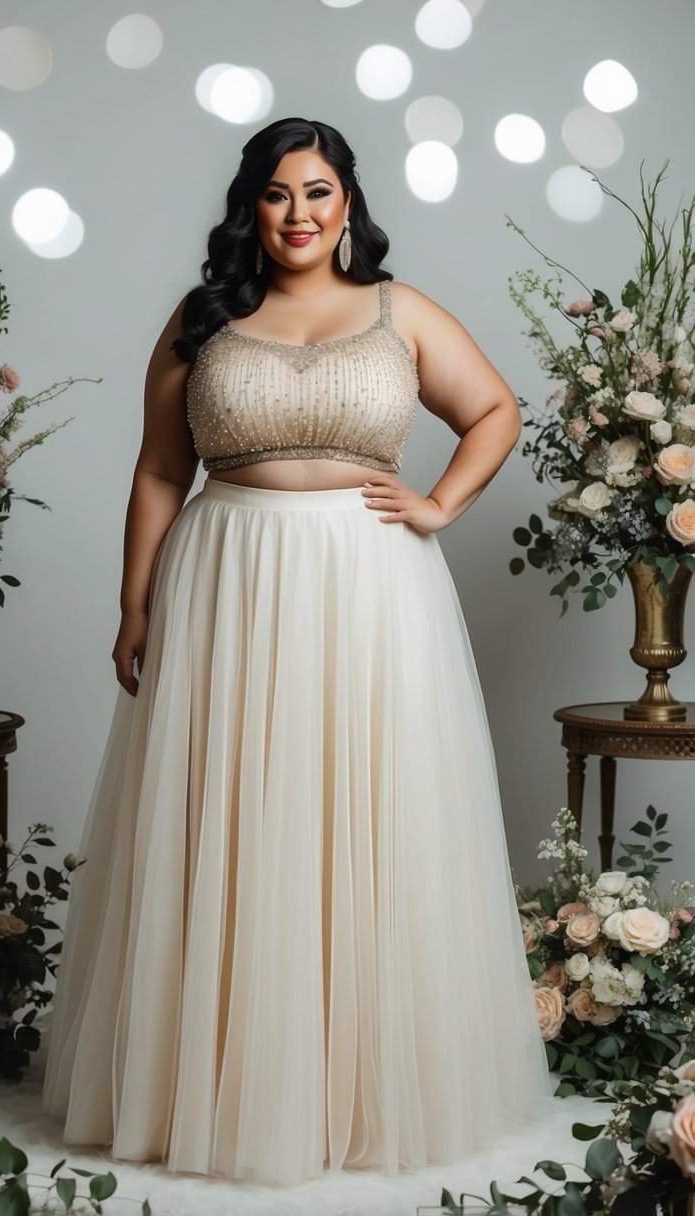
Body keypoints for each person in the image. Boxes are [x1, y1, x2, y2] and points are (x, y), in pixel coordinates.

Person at [41, 116, 554, 1186]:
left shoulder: (397, 310)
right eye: (278, 194)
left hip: (371, 584)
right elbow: (155, 472)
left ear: (349, 203)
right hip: (228, 574)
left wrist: (440, 503)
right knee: (233, 820)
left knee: (365, 817)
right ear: (250, 207)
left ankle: (356, 1094)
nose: (300, 214)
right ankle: (222, 1088)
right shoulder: (205, 318)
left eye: (319, 191)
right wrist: (133, 608)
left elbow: (495, 409)